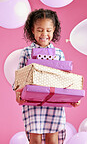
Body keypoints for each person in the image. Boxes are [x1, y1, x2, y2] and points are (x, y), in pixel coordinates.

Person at [15, 9, 80, 144]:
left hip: (54, 103)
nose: (44, 34)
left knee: (53, 137)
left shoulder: (59, 53)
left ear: (54, 30)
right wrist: (18, 92)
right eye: (40, 30)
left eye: (48, 30)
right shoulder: (26, 52)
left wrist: (73, 97)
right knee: (35, 138)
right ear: (32, 30)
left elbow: (65, 79)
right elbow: (19, 77)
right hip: (33, 103)